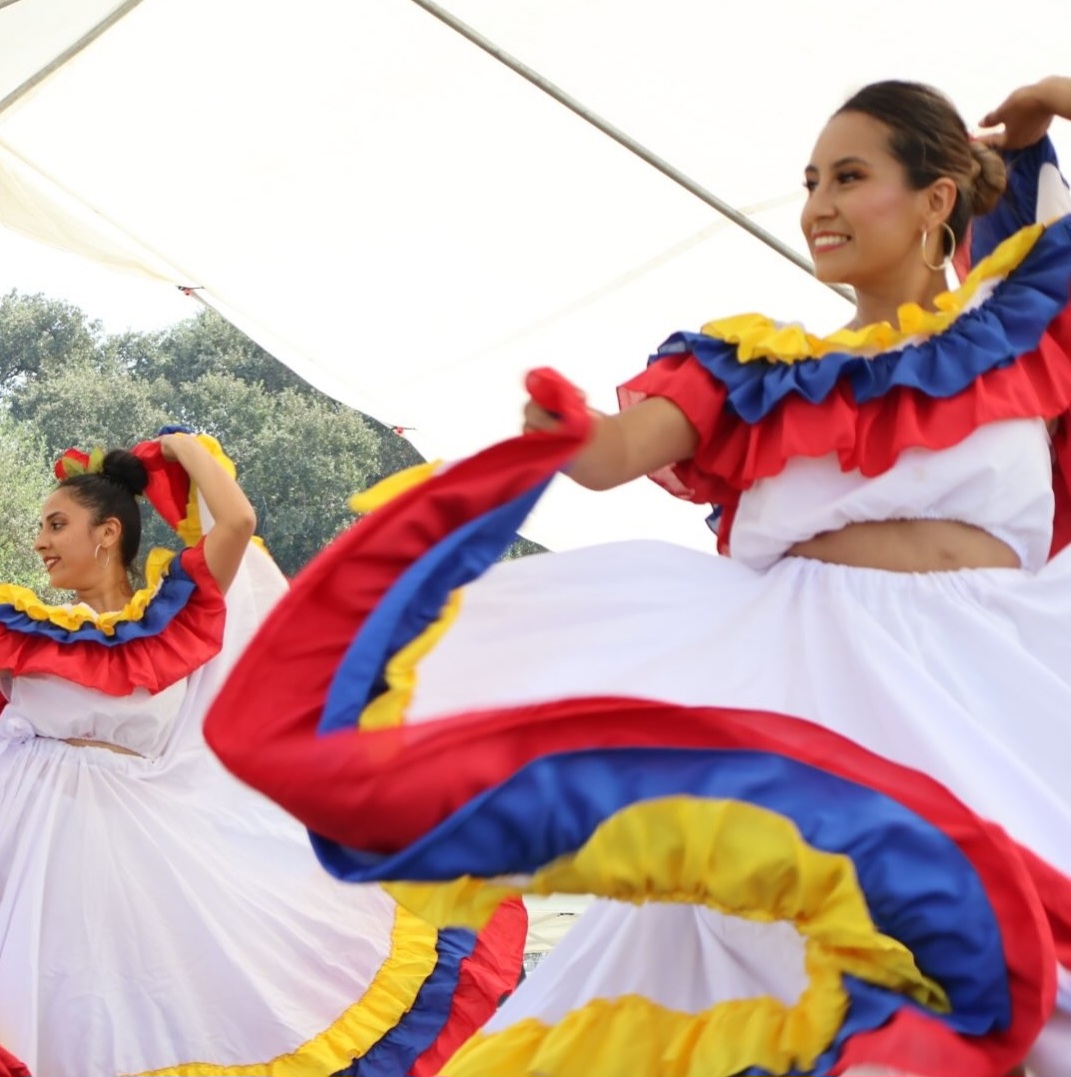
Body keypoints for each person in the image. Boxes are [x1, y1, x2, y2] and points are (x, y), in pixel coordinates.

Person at [205, 75, 1071, 1076]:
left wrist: (1050, 100)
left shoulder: (1026, 322)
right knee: (784, 957)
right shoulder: (756, 369)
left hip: (994, 681)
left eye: (848, 177)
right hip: (810, 694)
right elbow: (613, 454)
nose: (818, 207)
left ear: (935, 199)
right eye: (809, 183)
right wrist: (566, 429)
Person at [0, 431, 524, 1076]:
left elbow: (237, 523)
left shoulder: (173, 615)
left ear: (107, 533)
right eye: (42, 527)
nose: (41, 542)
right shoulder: (20, 629)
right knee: (39, 993)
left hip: (133, 845)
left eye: (56, 525)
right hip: (28, 834)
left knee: (117, 1004)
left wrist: (185, 449)